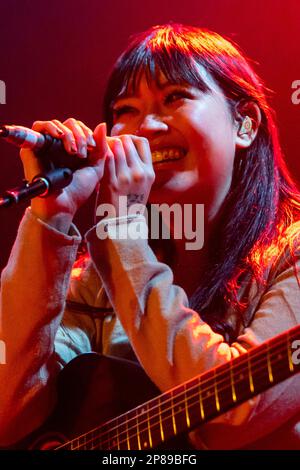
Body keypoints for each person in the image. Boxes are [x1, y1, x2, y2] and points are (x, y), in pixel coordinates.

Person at [0, 23, 300, 450]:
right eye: (125, 110)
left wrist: (122, 231)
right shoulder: (96, 280)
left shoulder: (291, 251)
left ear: (246, 124)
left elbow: (233, 416)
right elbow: (7, 412)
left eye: (175, 97)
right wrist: (50, 221)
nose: (147, 127)